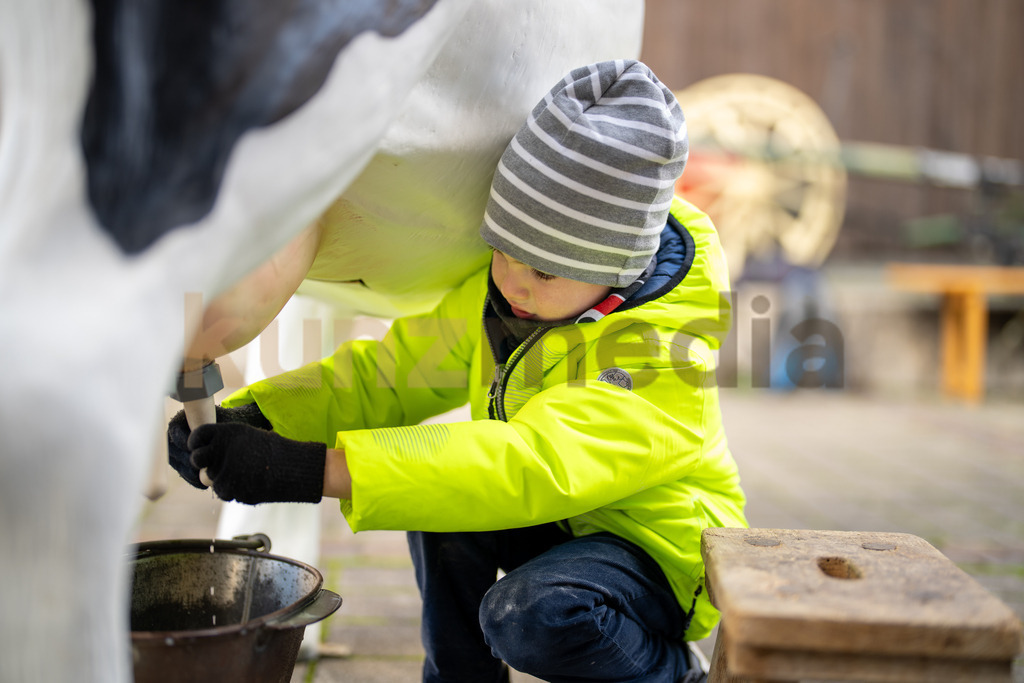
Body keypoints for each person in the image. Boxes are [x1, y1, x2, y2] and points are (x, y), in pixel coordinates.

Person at [168, 59, 746, 683]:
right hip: (562, 523)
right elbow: (391, 374)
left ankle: (672, 674)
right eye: (503, 248)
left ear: (617, 269)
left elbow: (530, 464)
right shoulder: (508, 300)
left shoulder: (658, 357)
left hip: (654, 555)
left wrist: (309, 469)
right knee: (438, 503)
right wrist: (260, 417)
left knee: (530, 615)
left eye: (544, 270)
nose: (514, 282)